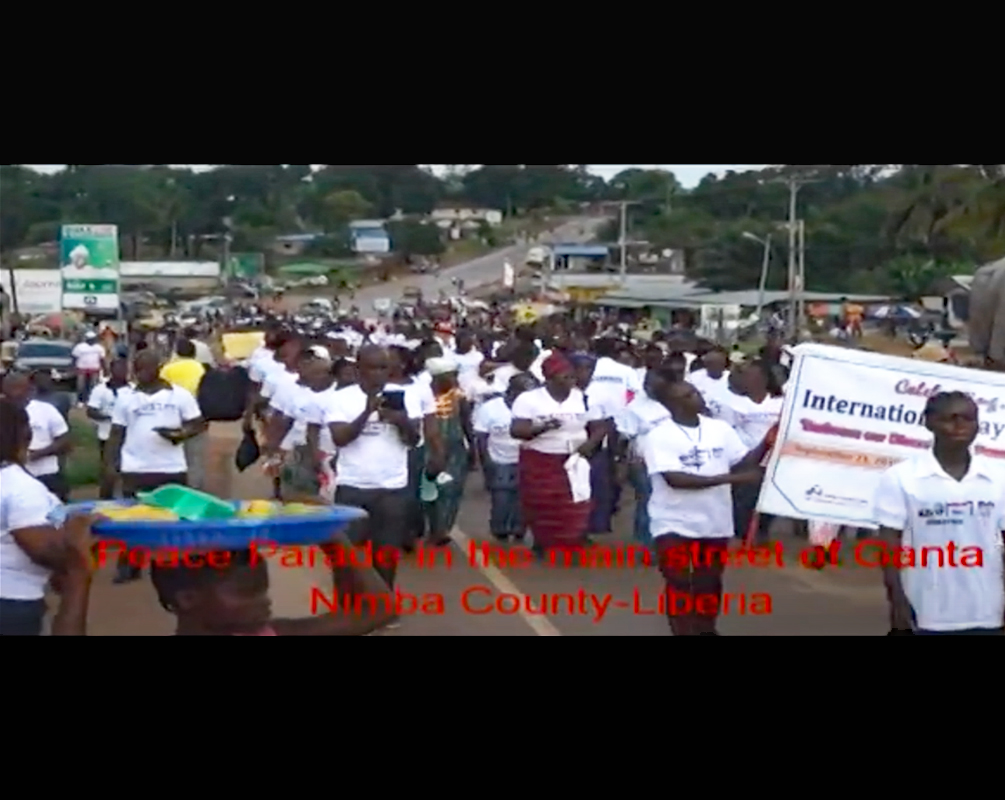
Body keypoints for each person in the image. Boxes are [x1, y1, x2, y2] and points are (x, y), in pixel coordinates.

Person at [643, 379, 775, 636]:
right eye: (689, 394)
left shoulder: (720, 429)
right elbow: (675, 480)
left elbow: (741, 462)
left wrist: (766, 444)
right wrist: (731, 479)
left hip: (714, 523)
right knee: (680, 581)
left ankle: (706, 629)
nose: (698, 396)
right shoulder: (658, 436)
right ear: (674, 404)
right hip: (673, 523)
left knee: (709, 583)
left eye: (695, 391)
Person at [872, 392, 1005, 636]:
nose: (960, 425)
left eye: (968, 418)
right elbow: (889, 546)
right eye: (951, 418)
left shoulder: (998, 477)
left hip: (987, 611)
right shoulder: (902, 477)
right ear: (929, 422)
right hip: (926, 611)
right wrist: (897, 601)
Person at [106, 350, 207, 584]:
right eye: (137, 369)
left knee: (172, 518)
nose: (140, 374)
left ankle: (172, 566)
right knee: (132, 518)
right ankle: (130, 565)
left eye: (145, 369)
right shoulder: (126, 398)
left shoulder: (179, 396)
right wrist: (111, 464)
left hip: (171, 466)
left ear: (158, 368)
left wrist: (179, 435)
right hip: (134, 467)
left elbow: (198, 424)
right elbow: (116, 433)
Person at [325, 346, 422, 591]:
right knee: (347, 556)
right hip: (352, 486)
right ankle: (347, 609)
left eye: (383, 368)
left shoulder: (405, 396)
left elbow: (413, 440)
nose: (378, 374)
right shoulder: (340, 398)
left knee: (386, 554)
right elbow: (340, 438)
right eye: (372, 368)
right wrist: (367, 411)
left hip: (393, 488)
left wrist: (401, 421)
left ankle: (383, 608)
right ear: (358, 370)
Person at [0, 397, 96, 636]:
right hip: (12, 604)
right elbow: (45, 551)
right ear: (25, 435)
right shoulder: (20, 487)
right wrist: (77, 553)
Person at [510, 353, 605, 557]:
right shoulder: (529, 399)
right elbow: (517, 430)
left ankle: (572, 540)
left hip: (574, 459)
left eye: (572, 376)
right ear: (549, 378)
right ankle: (542, 541)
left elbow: (599, 427)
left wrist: (590, 444)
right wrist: (542, 428)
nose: (571, 381)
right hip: (540, 459)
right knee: (541, 503)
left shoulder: (584, 398)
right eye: (565, 377)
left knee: (575, 501)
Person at [720, 360, 785, 542]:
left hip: (773, 459)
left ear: (763, 379)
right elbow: (727, 431)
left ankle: (762, 530)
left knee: (769, 500)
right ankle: (742, 534)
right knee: (743, 500)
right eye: (745, 375)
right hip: (745, 458)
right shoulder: (732, 403)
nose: (746, 379)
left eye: (751, 375)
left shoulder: (781, 403)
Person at [616, 366, 673, 548]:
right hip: (643, 462)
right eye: (647, 383)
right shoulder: (634, 407)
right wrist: (622, 463)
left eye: (655, 385)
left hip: (673, 461)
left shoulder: (676, 401)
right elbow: (624, 438)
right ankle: (646, 543)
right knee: (647, 500)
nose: (649, 388)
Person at [474, 374, 535, 542]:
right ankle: (500, 530)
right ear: (511, 391)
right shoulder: (490, 408)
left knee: (523, 499)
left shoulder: (533, 406)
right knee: (501, 498)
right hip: (499, 460)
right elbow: (481, 436)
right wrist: (486, 461)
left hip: (527, 459)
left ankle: (518, 529)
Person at [423, 358, 475, 547]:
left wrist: (473, 450)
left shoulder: (459, 396)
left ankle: (442, 529)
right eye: (450, 376)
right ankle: (433, 527)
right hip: (429, 448)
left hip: (455, 450)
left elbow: (466, 424)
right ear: (437, 378)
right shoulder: (423, 395)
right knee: (429, 491)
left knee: (452, 490)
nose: (454, 380)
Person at [1, 371, 72, 502]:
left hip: (46, 474)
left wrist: (37, 454)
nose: (16, 393)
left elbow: (65, 442)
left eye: (21, 388)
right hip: (9, 478)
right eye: (11, 388)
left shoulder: (46, 410)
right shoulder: (4, 413)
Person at [160, 339, 208, 491]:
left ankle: (173, 490)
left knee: (171, 455)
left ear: (177, 352)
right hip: (197, 417)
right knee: (195, 458)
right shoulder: (201, 368)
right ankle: (195, 490)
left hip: (172, 416)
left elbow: (160, 391)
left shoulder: (167, 369)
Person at [86, 358, 132, 499]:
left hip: (128, 436)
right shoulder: (100, 390)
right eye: (118, 369)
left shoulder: (133, 390)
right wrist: (109, 418)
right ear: (111, 371)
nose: (122, 372)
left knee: (127, 469)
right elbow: (91, 411)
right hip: (106, 436)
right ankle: (105, 499)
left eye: (124, 369)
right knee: (108, 470)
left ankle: (127, 497)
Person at [71, 331, 105, 405]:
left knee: (93, 386)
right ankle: (80, 400)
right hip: (82, 368)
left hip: (94, 369)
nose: (91, 341)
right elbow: (74, 358)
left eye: (92, 339)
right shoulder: (80, 347)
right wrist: (73, 368)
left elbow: (102, 359)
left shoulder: (99, 348)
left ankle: (91, 400)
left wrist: (104, 369)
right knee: (81, 386)